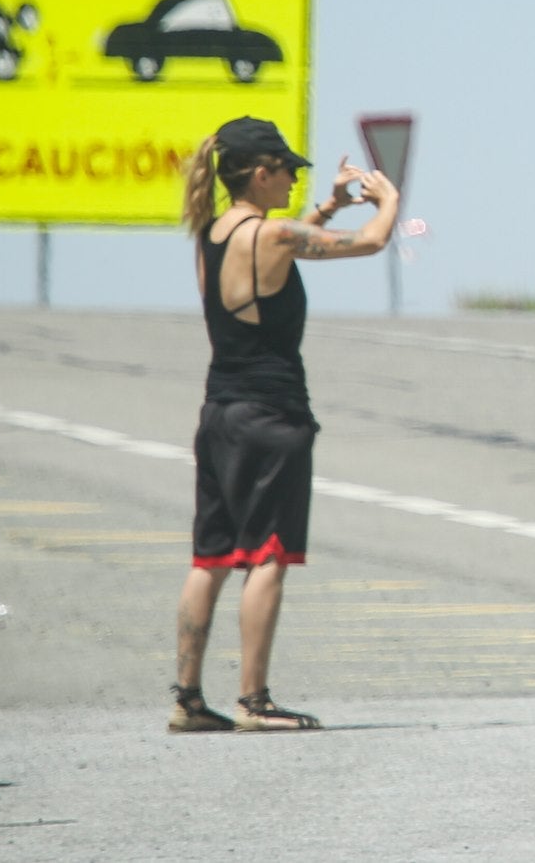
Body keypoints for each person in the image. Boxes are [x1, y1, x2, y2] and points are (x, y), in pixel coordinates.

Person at [169, 116, 399, 733]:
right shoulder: (268, 237)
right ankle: (254, 700)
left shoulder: (215, 233)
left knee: (211, 557)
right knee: (267, 555)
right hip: (271, 417)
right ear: (260, 172)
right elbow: (371, 242)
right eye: (289, 171)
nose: (295, 179)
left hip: (219, 413)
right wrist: (388, 200)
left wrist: (327, 205)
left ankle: (188, 699)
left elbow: (282, 250)